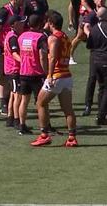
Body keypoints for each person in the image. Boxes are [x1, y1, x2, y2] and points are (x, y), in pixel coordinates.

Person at [30, 11, 78, 147]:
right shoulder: (65, 37)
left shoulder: (53, 38)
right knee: (68, 109)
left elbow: (52, 58)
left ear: (50, 23)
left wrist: (49, 75)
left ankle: (44, 135)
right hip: (67, 76)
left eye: (46, 21)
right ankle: (72, 137)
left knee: (40, 103)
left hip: (56, 76)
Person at [0, 0, 26, 116]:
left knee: (13, 74)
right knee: (4, 75)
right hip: (4, 48)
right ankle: (3, 103)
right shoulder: (3, 12)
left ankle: (11, 101)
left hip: (15, 45)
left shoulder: (20, 9)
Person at [78, 0, 107, 116]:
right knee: (92, 78)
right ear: (94, 0)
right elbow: (85, 26)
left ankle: (105, 108)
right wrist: (91, 35)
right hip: (96, 50)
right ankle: (88, 105)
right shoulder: (92, 15)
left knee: (106, 81)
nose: (100, 1)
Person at [17, 14, 48, 135]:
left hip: (23, 72)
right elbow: (42, 56)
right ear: (40, 24)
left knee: (24, 101)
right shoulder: (40, 38)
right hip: (36, 73)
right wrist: (46, 72)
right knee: (42, 102)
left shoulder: (21, 37)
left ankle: (22, 125)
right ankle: (44, 127)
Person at [86, 7, 107, 125]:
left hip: (95, 61)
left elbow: (89, 45)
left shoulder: (93, 29)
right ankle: (102, 115)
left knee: (101, 88)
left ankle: (100, 112)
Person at [3, 15, 27, 128]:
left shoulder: (11, 35)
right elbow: (14, 53)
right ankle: (17, 121)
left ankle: (9, 119)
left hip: (10, 69)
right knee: (18, 95)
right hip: (14, 70)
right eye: (21, 22)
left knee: (13, 94)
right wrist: (24, 61)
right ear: (14, 24)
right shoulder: (13, 37)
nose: (23, 24)